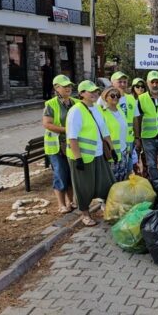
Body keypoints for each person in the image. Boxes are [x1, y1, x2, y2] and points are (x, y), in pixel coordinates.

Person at [65, 80, 116, 226]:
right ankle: (85, 214)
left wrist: (112, 149)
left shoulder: (97, 108)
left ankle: (107, 208)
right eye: (90, 91)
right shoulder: (75, 111)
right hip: (83, 157)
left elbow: (105, 132)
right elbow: (72, 137)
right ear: (81, 94)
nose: (94, 94)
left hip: (99, 154)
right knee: (83, 188)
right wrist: (78, 158)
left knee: (106, 184)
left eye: (95, 91)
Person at [42, 74, 76, 214]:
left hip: (71, 145)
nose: (68, 88)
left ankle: (71, 201)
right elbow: (47, 124)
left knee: (71, 174)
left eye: (69, 86)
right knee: (60, 174)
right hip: (56, 146)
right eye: (64, 86)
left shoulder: (76, 102)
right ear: (56, 88)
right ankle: (61, 204)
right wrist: (67, 130)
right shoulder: (50, 104)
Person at [98, 72, 140, 171]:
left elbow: (135, 119)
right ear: (112, 83)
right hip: (111, 142)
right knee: (112, 169)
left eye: (125, 82)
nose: (123, 84)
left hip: (128, 140)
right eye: (119, 82)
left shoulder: (130, 98)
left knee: (127, 168)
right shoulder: (103, 99)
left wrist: (137, 137)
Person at [98, 87, 130, 181]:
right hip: (111, 153)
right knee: (112, 180)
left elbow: (125, 130)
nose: (115, 97)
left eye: (118, 95)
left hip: (123, 152)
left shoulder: (120, 111)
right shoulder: (102, 113)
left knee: (123, 178)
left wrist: (127, 148)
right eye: (112, 95)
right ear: (105, 98)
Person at [130, 77, 147, 176]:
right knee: (134, 159)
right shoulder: (130, 100)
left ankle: (146, 177)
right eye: (137, 86)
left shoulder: (147, 99)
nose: (140, 88)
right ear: (133, 88)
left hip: (146, 132)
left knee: (146, 158)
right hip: (134, 135)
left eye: (142, 86)